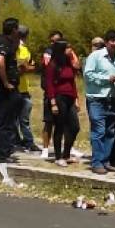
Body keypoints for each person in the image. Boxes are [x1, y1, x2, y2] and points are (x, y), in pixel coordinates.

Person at [84, 29, 115, 174]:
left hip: (112, 98)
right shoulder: (95, 56)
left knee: (110, 132)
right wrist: (106, 79)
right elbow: (88, 75)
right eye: (112, 41)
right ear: (106, 42)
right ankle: (96, 163)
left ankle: (105, 161)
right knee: (98, 131)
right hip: (97, 98)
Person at [0, 18, 23, 164]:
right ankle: (3, 153)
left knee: (0, 120)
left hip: (0, 87)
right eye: (17, 28)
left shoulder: (0, 42)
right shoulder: (4, 43)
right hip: (4, 89)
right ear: (14, 29)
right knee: (6, 122)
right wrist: (6, 82)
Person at [44, 39, 81, 167]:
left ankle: (67, 153)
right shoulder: (53, 65)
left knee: (75, 127)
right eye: (67, 48)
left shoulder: (68, 63)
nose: (70, 50)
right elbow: (49, 85)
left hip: (70, 97)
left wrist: (76, 99)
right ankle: (58, 156)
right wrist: (53, 102)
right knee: (59, 127)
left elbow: (73, 81)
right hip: (59, 98)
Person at [15, 25, 39, 152]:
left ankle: (25, 141)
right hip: (17, 89)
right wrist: (25, 67)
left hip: (23, 88)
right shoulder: (19, 48)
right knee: (21, 119)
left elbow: (30, 66)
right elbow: (23, 67)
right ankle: (26, 141)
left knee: (21, 118)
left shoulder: (23, 48)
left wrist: (25, 67)